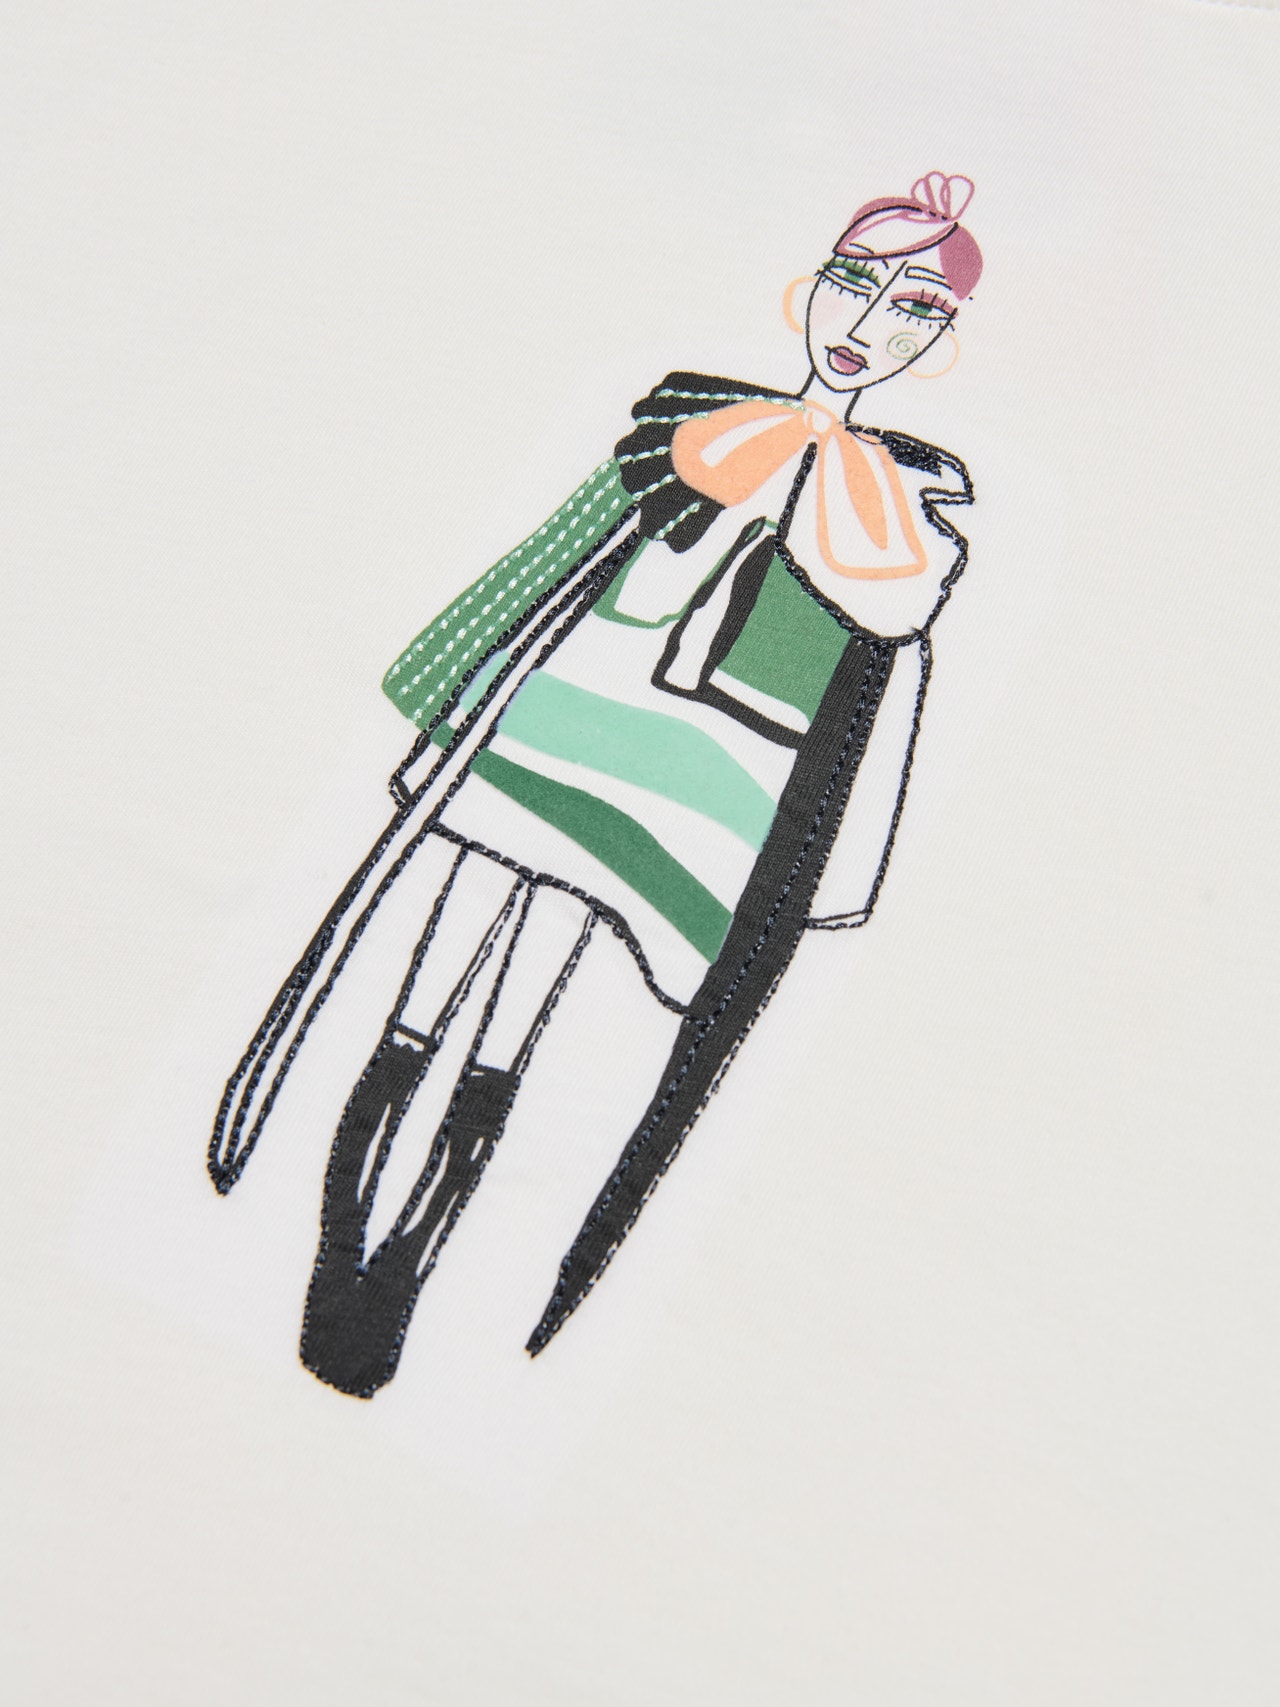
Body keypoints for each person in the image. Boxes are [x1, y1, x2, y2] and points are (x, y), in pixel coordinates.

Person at [209, 171, 983, 1398]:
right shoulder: (701, 420)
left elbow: (884, 611)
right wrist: (459, 678)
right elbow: (577, 551)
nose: (864, 320)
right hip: (553, 725)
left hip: (679, 786)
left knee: (509, 1025)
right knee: (422, 996)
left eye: (908, 307)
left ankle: (398, 1283)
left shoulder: (904, 509)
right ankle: (333, 1267)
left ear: (933, 346)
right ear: (807, 288)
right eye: (851, 282)